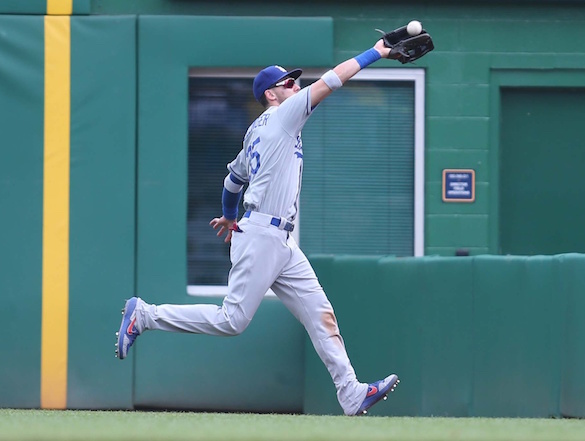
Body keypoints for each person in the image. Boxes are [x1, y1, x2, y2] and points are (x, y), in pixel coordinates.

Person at [115, 37, 399, 416]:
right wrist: (377, 52)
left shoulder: (255, 131)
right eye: (288, 83)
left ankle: (351, 392)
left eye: (296, 82)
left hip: (278, 239)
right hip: (263, 234)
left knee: (320, 313)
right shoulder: (284, 115)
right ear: (271, 94)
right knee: (231, 320)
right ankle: (145, 315)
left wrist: (229, 214)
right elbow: (332, 80)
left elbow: (233, 180)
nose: (296, 86)